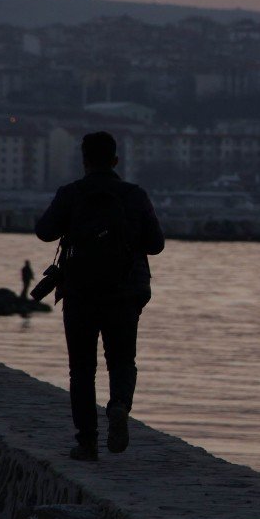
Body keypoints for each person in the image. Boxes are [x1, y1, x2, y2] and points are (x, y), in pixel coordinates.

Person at [35, 131, 164, 461]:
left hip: (79, 293)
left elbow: (44, 232)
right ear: (116, 161)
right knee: (122, 361)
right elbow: (156, 244)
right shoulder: (134, 196)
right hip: (125, 294)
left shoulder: (72, 194)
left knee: (81, 370)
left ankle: (87, 442)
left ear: (84, 161)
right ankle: (119, 405)